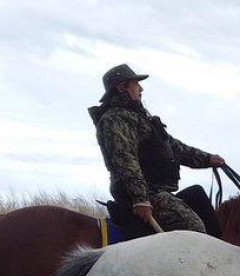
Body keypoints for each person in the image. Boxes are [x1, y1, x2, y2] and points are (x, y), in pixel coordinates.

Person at [89, 63, 224, 240]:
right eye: (135, 84)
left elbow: (175, 147)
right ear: (122, 87)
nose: (141, 88)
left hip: (158, 191)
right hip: (143, 194)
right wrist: (140, 199)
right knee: (194, 229)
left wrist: (208, 159)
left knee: (199, 199)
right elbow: (125, 159)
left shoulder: (142, 119)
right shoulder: (115, 119)